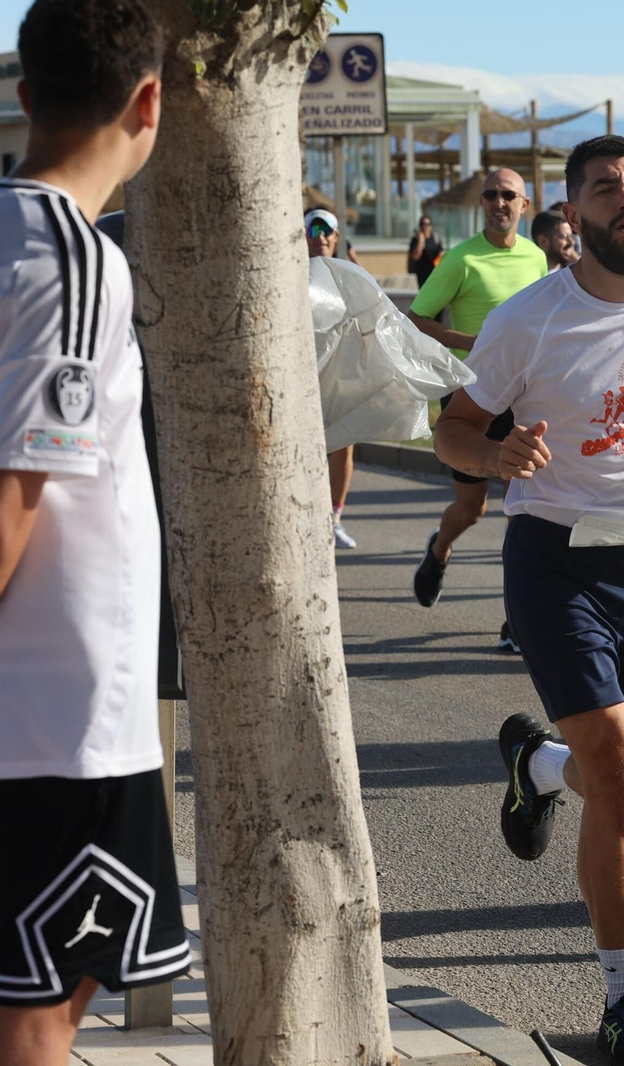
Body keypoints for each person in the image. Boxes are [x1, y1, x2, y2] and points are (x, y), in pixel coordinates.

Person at [434, 135, 624, 1064]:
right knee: (613, 777)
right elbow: (451, 426)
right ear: (572, 214)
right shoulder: (529, 319)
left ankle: (533, 765)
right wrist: (492, 458)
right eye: (606, 188)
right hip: (554, 559)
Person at [0, 3, 192, 1062]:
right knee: (38, 1012)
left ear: (25, 96)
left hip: (47, 714)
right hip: (58, 716)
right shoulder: (72, 258)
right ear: (148, 101)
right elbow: (17, 491)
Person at [406, 167, 548, 652]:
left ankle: (519, 620)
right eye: (491, 195)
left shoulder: (536, 255)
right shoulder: (461, 259)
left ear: (524, 205)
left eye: (509, 195)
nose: (499, 202)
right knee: (471, 508)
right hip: (472, 396)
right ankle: (439, 549)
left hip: (524, 396)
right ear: (482, 204)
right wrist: (475, 342)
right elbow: (416, 318)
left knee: (522, 510)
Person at [308, 212, 362, 549]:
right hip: (304, 379)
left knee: (344, 445)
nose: (320, 236)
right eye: (313, 229)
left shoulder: (348, 276)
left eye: (326, 230)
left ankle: (334, 519)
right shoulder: (288, 275)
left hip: (340, 375)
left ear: (337, 237)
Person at [408, 214, 442, 288]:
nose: (425, 226)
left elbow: (441, 255)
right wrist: (420, 241)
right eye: (422, 224)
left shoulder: (436, 239)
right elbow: (415, 257)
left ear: (431, 226)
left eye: (427, 224)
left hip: (434, 273)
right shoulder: (415, 240)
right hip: (422, 275)